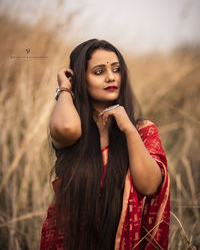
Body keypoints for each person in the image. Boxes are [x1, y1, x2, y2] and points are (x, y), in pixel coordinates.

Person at [40, 39, 170, 250]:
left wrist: (128, 130)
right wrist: (64, 89)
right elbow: (65, 129)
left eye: (116, 69)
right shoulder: (73, 126)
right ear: (81, 79)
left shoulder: (142, 130)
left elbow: (149, 186)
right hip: (70, 241)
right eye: (99, 72)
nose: (111, 77)